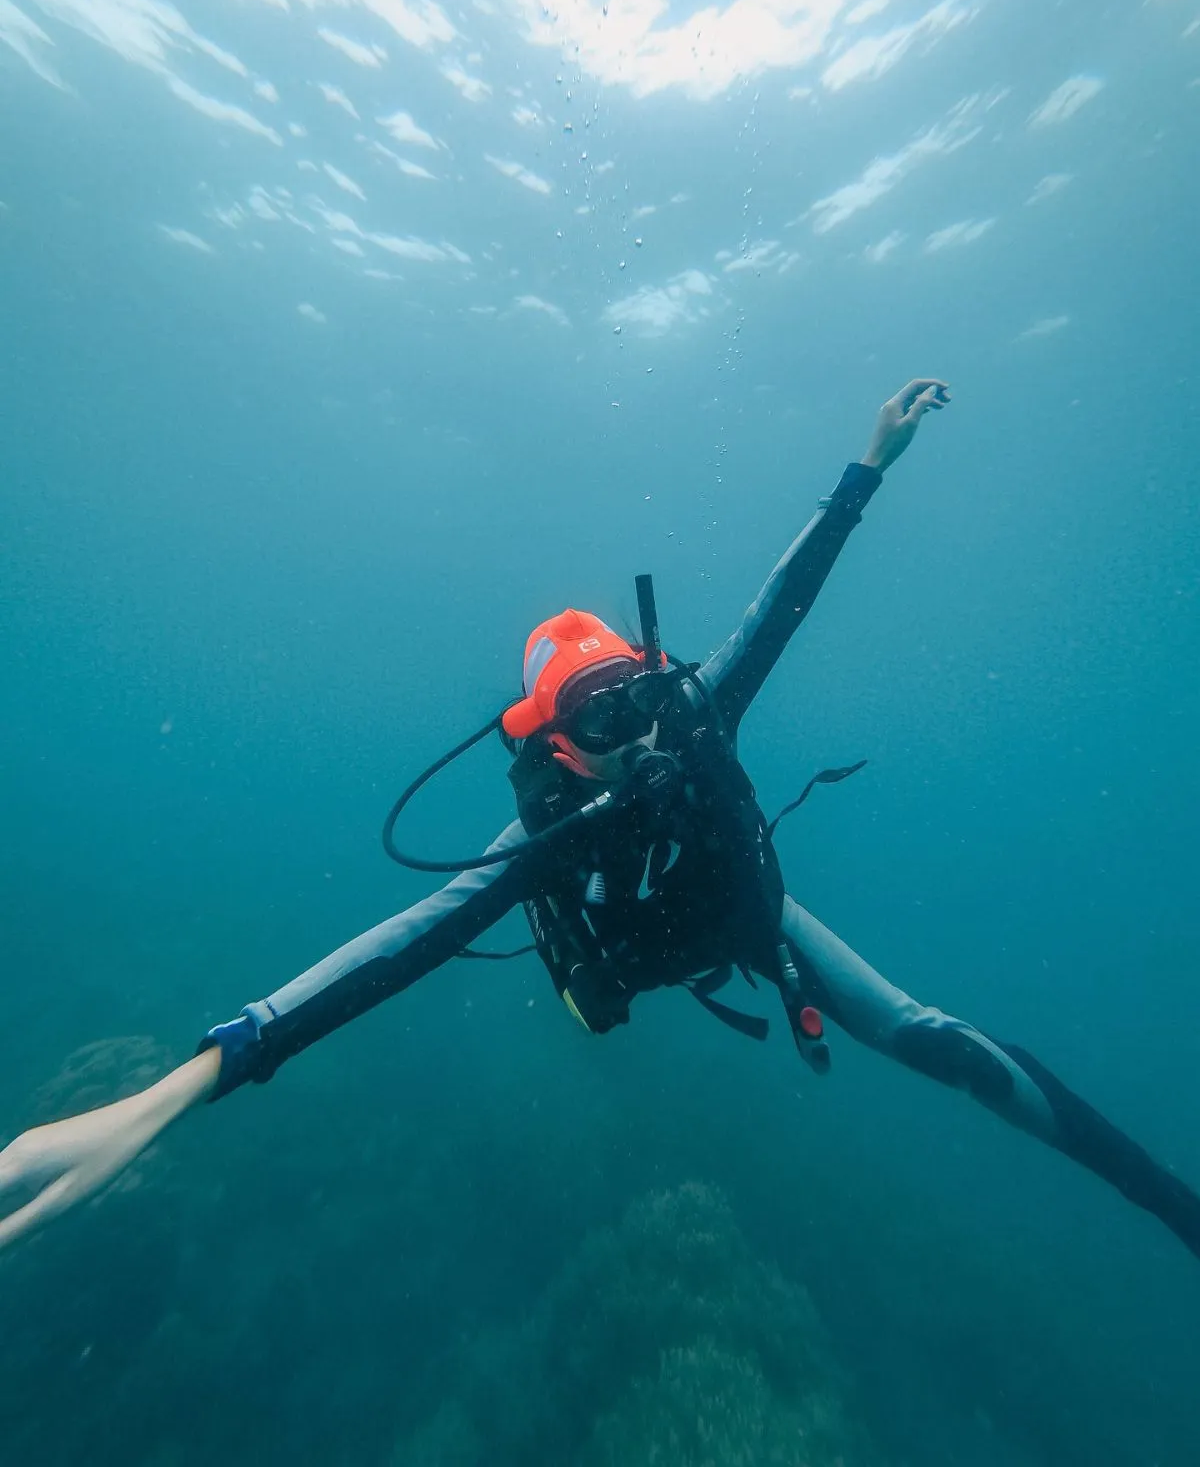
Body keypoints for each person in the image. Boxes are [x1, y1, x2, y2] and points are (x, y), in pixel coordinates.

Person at [2, 379, 1197, 1261]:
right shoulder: (549, 836)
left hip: (753, 915)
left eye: (636, 696)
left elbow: (786, 602)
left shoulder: (693, 712)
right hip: (636, 941)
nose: (634, 733)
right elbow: (398, 946)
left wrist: (866, 465)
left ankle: (1174, 1207)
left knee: (936, 1041)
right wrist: (192, 1079)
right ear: (548, 737)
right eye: (594, 715)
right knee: (610, 990)